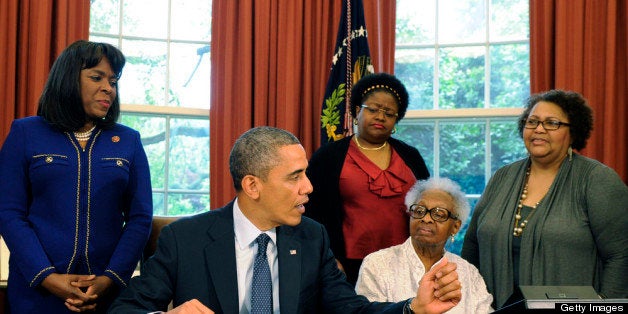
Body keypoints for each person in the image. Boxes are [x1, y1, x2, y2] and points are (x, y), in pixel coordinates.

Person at [109, 126, 462, 313]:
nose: (309, 187)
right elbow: (126, 309)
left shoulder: (312, 238)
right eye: (295, 177)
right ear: (253, 185)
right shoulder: (184, 238)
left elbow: (352, 312)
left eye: (306, 174)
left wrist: (413, 310)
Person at [0, 40, 153, 313]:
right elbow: (9, 212)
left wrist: (110, 278)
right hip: (36, 294)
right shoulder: (25, 132)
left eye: (114, 81)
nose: (109, 87)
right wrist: (47, 276)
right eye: (97, 77)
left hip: (105, 295)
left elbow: (140, 219)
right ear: (69, 78)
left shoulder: (128, 141)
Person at [461, 90, 628, 309]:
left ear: (573, 131)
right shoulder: (502, 177)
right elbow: (472, 245)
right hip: (492, 308)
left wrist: (605, 307)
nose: (539, 129)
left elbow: (621, 255)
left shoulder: (597, 180)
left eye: (552, 123)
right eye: (532, 122)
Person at [306, 73, 430, 285]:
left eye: (389, 113)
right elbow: (311, 214)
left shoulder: (411, 156)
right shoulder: (328, 157)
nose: (381, 117)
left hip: (405, 261)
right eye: (373, 109)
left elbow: (429, 205)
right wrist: (328, 258)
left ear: (396, 120)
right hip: (347, 265)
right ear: (357, 111)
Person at [356, 177, 493, 313]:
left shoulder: (469, 273)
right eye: (419, 211)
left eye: (439, 214)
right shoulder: (377, 264)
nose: (426, 219)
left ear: (455, 227)